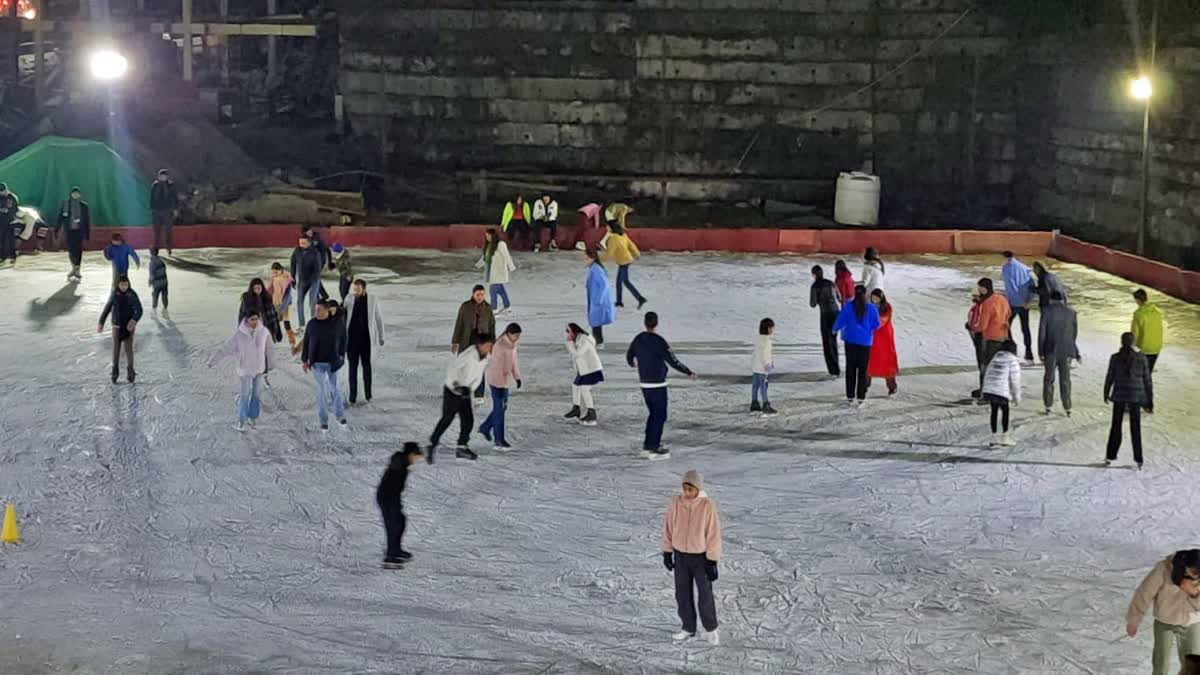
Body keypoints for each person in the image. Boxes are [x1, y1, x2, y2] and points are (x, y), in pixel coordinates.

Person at [662, 469, 722, 645]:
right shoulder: (676, 503)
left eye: (691, 489)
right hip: (681, 556)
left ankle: (711, 628)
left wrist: (712, 560)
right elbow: (668, 526)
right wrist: (667, 551)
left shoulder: (707, 505)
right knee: (682, 594)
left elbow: (713, 533)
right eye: (685, 489)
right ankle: (688, 627)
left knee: (704, 594)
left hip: (700, 558)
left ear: (698, 488)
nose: (687, 493)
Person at [628, 312, 696, 459]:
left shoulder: (638, 339)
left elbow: (629, 355)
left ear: (645, 323)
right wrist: (688, 372)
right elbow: (673, 361)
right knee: (659, 415)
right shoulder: (659, 341)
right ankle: (652, 447)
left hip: (645, 384)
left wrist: (633, 363)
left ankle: (649, 444)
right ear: (656, 324)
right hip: (658, 384)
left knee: (654, 415)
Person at [1126, 550, 1200, 675]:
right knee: (1161, 664)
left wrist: (1192, 593)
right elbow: (1145, 593)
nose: (1196, 577)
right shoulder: (1164, 569)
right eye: (1194, 573)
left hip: (1191, 623)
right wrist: (1134, 619)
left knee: (1194, 666)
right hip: (1165, 622)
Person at [429, 335, 494, 462]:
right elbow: (452, 369)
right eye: (488, 345)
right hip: (452, 391)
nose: (489, 348)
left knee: (468, 420)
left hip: (465, 391)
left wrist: (470, 389)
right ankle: (432, 444)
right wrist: (456, 385)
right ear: (480, 345)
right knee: (447, 419)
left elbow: (479, 376)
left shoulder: (486, 357)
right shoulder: (468, 355)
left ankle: (462, 447)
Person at [1104, 332, 1154, 469]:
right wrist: (1150, 399)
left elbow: (1110, 376)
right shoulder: (1141, 357)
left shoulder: (1115, 358)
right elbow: (1147, 380)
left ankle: (1110, 456)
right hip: (1136, 396)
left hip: (1120, 395)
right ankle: (1138, 459)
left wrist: (1106, 392)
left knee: (1116, 426)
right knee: (1135, 427)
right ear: (1133, 343)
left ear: (1121, 342)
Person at [220, 310, 275, 431]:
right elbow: (226, 347)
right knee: (245, 394)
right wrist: (212, 360)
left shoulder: (264, 332)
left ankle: (252, 417)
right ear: (246, 320)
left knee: (255, 394)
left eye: (257, 319)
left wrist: (270, 364)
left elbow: (270, 348)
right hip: (244, 369)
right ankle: (242, 419)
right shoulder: (239, 334)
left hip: (259, 368)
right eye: (252, 319)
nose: (255, 322)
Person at [300, 301, 348, 432]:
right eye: (315, 309)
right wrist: (304, 360)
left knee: (336, 388)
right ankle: (323, 420)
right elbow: (306, 342)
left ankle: (340, 415)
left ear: (327, 311)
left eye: (320, 310)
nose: (317, 312)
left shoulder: (337, 322)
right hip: (317, 363)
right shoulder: (312, 324)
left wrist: (342, 355)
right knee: (322, 389)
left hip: (333, 362)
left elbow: (344, 337)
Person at [376, 442, 424, 569]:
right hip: (387, 497)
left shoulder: (402, 462)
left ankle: (395, 550)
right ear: (411, 454)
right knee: (394, 525)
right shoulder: (399, 463)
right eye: (416, 456)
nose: (417, 459)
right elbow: (391, 484)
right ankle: (390, 558)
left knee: (400, 522)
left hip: (391, 497)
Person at [832, 285, 880, 407]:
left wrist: (834, 329)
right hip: (865, 343)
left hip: (850, 341)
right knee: (863, 370)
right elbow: (877, 325)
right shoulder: (872, 308)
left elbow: (840, 320)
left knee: (851, 368)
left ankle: (850, 395)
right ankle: (861, 396)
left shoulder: (848, 306)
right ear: (865, 294)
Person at [479, 323, 523, 449]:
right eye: (516, 335)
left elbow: (514, 362)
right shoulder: (499, 346)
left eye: (519, 336)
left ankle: (485, 427)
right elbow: (495, 368)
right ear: (509, 334)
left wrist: (517, 377)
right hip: (496, 381)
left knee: (502, 408)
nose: (518, 338)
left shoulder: (512, 344)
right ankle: (499, 439)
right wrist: (499, 387)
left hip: (505, 381)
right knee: (499, 410)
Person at [345, 279, 385, 405]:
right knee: (352, 369)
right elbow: (342, 315)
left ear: (364, 288)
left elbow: (379, 317)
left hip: (366, 340)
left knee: (366, 368)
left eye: (358, 289)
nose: (355, 291)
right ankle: (352, 396)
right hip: (351, 340)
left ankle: (368, 394)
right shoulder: (349, 298)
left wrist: (381, 336)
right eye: (354, 289)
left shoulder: (373, 299)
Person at [1038, 290, 1078, 416]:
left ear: (1051, 299)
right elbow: (1074, 333)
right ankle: (1067, 406)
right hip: (1067, 350)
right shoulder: (1072, 313)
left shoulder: (1046, 312)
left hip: (1050, 350)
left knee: (1049, 379)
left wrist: (1041, 351)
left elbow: (1042, 333)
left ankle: (1048, 405)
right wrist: (1072, 348)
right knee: (1065, 379)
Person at [98, 276, 143, 383]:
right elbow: (107, 307)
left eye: (126, 284)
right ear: (118, 285)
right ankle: (115, 371)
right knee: (116, 349)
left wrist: (134, 320)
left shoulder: (132, 294)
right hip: (116, 325)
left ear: (128, 284)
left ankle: (130, 370)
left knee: (128, 349)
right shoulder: (114, 294)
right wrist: (101, 321)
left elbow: (139, 309)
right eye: (122, 285)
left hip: (128, 326)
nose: (124, 287)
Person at [981, 339, 1021, 447]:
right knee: (1005, 411)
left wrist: (984, 391)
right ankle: (1005, 436)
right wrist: (1016, 397)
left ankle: (994, 436)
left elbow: (987, 373)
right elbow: (1015, 380)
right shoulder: (1012, 360)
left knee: (994, 411)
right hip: (1000, 390)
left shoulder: (995, 357)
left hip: (990, 389)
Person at [975, 278, 1011, 397]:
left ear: (984, 289)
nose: (978, 290)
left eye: (979, 288)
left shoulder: (987, 303)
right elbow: (1009, 313)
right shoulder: (1002, 298)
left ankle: (985, 392)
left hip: (990, 337)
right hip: (1003, 336)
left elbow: (982, 325)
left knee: (985, 366)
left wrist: (973, 327)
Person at [565, 323, 604, 426]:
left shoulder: (584, 340)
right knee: (575, 386)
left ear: (574, 331)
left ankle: (592, 413)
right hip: (584, 370)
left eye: (569, 332)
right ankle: (576, 408)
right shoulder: (577, 340)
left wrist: (569, 344)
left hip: (591, 369)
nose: (568, 335)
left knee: (584, 389)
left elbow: (578, 354)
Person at [1001, 251, 1036, 362]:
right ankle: (1029, 353)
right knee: (1025, 328)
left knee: (1005, 326)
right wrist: (1028, 300)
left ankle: (1011, 348)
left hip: (1014, 302)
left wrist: (1017, 301)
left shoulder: (1006, 268)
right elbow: (1032, 285)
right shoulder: (1024, 267)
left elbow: (1011, 286)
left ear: (1005, 258)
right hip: (1025, 303)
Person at [604, 225, 646, 309]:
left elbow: (609, 253)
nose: (606, 228)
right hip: (626, 260)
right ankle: (621, 301)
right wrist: (636, 254)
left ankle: (639, 298)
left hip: (623, 261)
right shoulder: (623, 235)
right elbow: (631, 245)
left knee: (623, 281)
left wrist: (598, 259)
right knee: (621, 281)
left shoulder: (613, 238)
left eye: (608, 227)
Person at [867, 289, 899, 395]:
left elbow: (883, 320)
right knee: (868, 361)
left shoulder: (887, 307)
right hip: (872, 338)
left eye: (876, 298)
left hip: (885, 338)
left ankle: (892, 386)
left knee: (887, 362)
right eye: (873, 297)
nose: (874, 299)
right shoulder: (869, 307)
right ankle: (865, 385)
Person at [810, 265, 841, 377]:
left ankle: (833, 370)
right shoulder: (831, 283)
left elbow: (812, 304)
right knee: (833, 340)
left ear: (814, 274)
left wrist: (819, 300)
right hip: (836, 314)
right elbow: (839, 297)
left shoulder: (815, 286)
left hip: (825, 315)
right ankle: (836, 367)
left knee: (827, 343)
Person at [476, 228, 516, 314]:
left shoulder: (501, 244)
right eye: (486, 236)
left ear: (493, 236)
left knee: (493, 290)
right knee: (501, 290)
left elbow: (507, 256)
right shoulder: (489, 245)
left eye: (489, 236)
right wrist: (478, 265)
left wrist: (511, 266)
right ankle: (507, 306)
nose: (487, 238)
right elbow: (485, 258)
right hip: (491, 271)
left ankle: (494, 309)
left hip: (499, 271)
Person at [55, 187, 90, 282]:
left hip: (79, 231)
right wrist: (56, 230)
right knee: (71, 249)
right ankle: (74, 267)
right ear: (71, 194)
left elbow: (86, 221)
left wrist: (87, 234)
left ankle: (77, 269)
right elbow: (60, 218)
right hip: (69, 231)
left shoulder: (84, 206)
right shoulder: (66, 204)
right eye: (74, 193)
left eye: (77, 193)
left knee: (78, 249)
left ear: (80, 195)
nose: (75, 195)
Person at [290, 235, 323, 328]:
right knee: (299, 301)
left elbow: (318, 269)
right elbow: (293, 263)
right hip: (302, 280)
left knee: (312, 301)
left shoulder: (315, 252)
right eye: (300, 243)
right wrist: (292, 277)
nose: (301, 245)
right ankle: (301, 324)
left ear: (309, 243)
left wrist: (313, 280)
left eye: (303, 243)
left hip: (314, 280)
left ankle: (314, 322)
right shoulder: (297, 251)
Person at [585, 249, 615, 347]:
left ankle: (599, 342)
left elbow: (604, 285)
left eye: (586, 258)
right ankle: (597, 341)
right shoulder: (594, 268)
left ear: (592, 258)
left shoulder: (596, 269)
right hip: (595, 299)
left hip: (598, 300)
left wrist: (599, 299)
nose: (585, 260)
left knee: (596, 321)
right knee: (596, 322)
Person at [238, 278, 282, 343]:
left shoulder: (267, 298)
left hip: (266, 328)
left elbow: (273, 316)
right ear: (252, 289)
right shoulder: (247, 299)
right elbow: (242, 315)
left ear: (262, 288)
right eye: (255, 288)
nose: (257, 290)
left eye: (259, 288)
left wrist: (278, 330)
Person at [1132, 288, 1164, 372]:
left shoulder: (1138, 314)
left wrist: (1131, 346)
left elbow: (1134, 333)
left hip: (1145, 348)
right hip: (1157, 346)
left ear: (1137, 300)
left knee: (1140, 373)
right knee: (1148, 372)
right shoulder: (1157, 312)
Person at [750, 318, 777, 416]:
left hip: (756, 366)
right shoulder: (767, 341)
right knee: (763, 386)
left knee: (755, 385)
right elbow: (765, 355)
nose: (773, 330)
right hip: (763, 367)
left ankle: (754, 403)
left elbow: (755, 354)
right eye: (772, 328)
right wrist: (768, 365)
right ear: (769, 329)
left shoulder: (757, 339)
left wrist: (753, 364)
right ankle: (765, 404)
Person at [149, 169, 178, 255]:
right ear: (158, 177)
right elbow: (151, 198)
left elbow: (175, 198)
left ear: (167, 177)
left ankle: (168, 247)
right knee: (156, 231)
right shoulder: (155, 185)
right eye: (161, 176)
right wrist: (151, 209)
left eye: (164, 176)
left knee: (168, 231)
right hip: (157, 211)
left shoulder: (171, 185)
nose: (162, 177)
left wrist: (175, 209)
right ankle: (155, 248)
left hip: (167, 211)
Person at [269, 262, 297, 347]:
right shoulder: (273, 277)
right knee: (275, 320)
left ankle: (292, 340)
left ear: (280, 270)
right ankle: (272, 338)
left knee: (285, 320)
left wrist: (283, 306)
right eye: (273, 272)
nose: (274, 273)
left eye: (276, 272)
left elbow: (288, 294)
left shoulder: (286, 278)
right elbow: (269, 288)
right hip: (275, 301)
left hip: (285, 302)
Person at [966, 292, 985, 399]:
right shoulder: (976, 308)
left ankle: (984, 391)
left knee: (983, 365)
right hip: (980, 338)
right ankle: (984, 389)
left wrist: (970, 327)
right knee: (983, 365)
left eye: (976, 296)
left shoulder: (981, 308)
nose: (973, 298)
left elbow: (976, 324)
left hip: (982, 338)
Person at [0, 183, 19, 265]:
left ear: (6, 190)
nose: (1, 193)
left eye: (2, 191)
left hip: (10, 222)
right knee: (1, 239)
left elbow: (15, 209)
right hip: (1, 221)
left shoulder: (12, 197)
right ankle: (2, 256)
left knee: (11, 240)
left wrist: (7, 211)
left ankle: (13, 257)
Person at [148, 247, 169, 316]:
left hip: (157, 283)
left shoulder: (152, 262)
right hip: (164, 282)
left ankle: (154, 311)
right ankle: (165, 310)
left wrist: (150, 282)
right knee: (164, 296)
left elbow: (152, 274)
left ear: (152, 252)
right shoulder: (161, 261)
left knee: (155, 296)